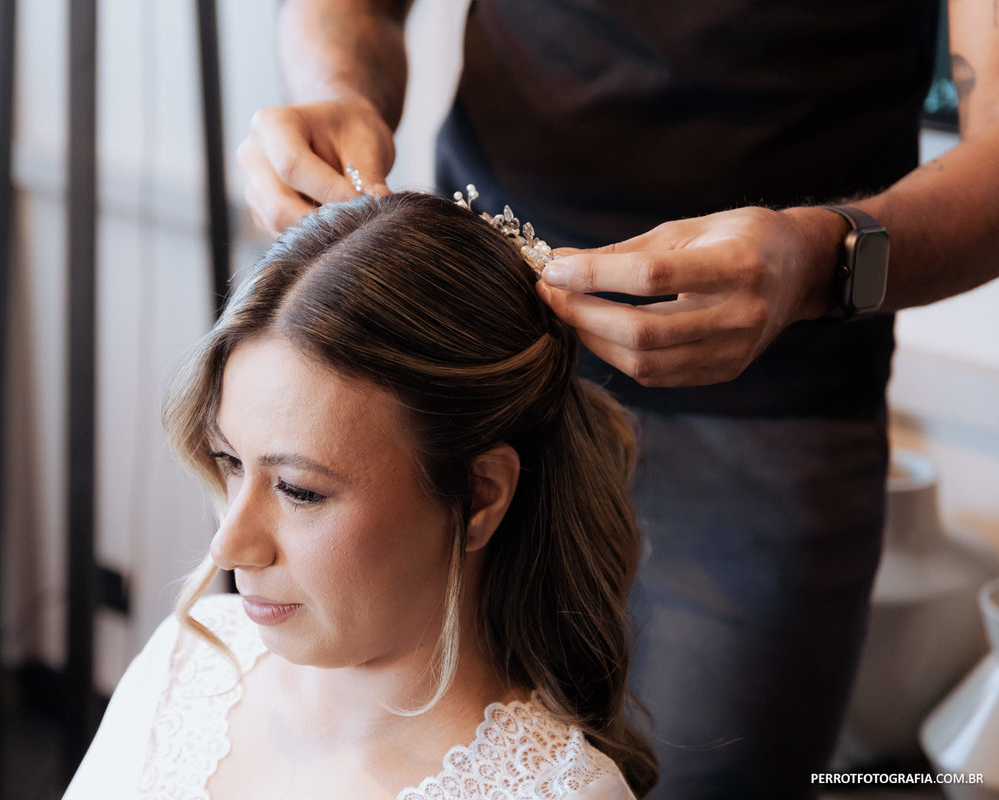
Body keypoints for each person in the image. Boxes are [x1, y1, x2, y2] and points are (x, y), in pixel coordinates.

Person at [234, 1, 999, 797]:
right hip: (473, 370)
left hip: (769, 415)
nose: (229, 546)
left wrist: (819, 261)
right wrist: (339, 89)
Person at [63, 191, 660, 799]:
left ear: (479, 495)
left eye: (298, 490)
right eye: (230, 462)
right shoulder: (189, 659)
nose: (228, 546)